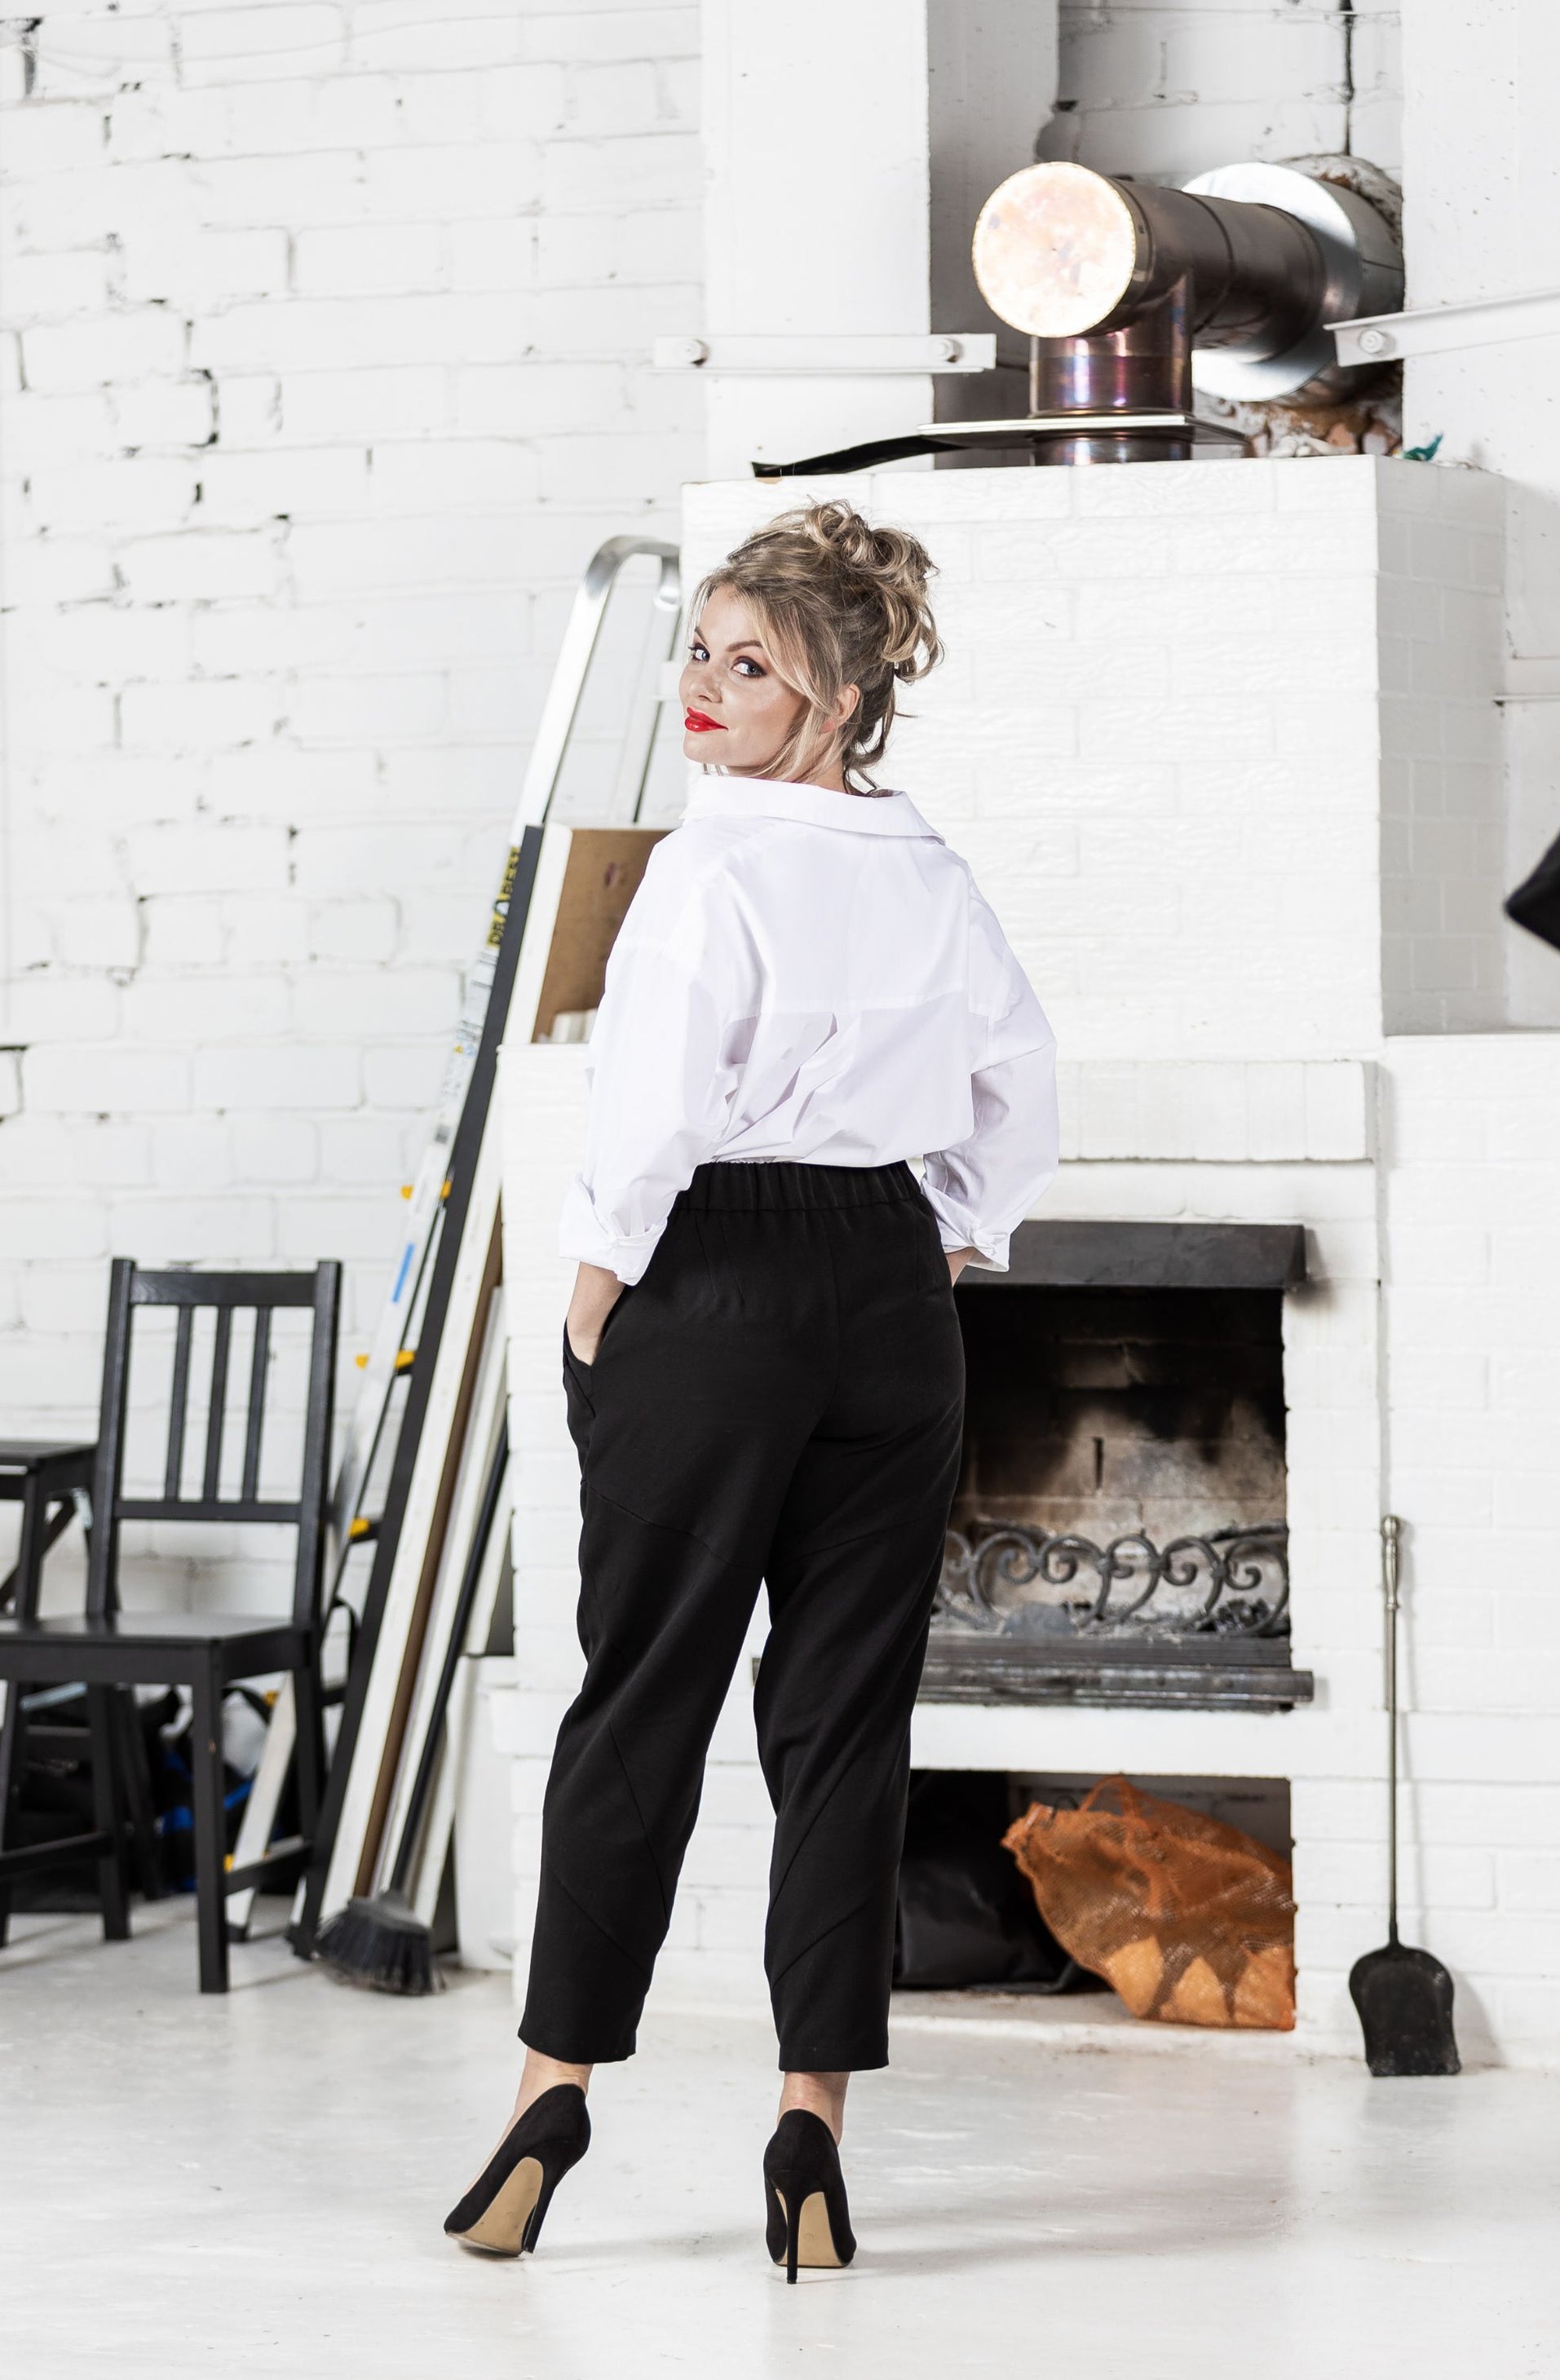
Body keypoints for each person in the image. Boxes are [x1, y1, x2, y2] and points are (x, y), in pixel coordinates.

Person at [444, 499, 1058, 2280]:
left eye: (750, 666)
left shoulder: (708, 868)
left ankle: (551, 2101)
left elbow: (649, 1099)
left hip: (703, 1277)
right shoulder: (930, 870)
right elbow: (1018, 1076)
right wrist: (951, 1230)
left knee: (640, 1697)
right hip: (887, 1291)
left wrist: (595, 1278)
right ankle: (810, 2135)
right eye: (698, 653)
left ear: (840, 695)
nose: (702, 690)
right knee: (845, 1724)